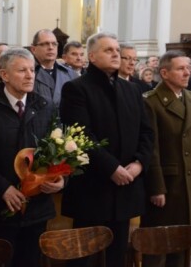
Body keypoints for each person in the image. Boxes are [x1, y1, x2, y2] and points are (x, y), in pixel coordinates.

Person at [59, 32, 153, 267]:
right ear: (91, 56)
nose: (116, 54)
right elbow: (80, 135)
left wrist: (139, 163)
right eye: (108, 50)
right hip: (93, 187)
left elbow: (147, 132)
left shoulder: (131, 90)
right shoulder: (76, 88)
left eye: (116, 50)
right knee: (85, 257)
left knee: (117, 256)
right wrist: (112, 168)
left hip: (126, 186)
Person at [0, 48, 62, 266]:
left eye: (32, 70)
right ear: (4, 75)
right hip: (0, 207)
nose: (30, 75)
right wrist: (3, 188)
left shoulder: (46, 106)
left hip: (37, 207)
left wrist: (60, 178)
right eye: (22, 70)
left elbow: (59, 150)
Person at [141, 50, 191, 266]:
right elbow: (152, 149)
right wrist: (156, 187)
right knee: (160, 245)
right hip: (169, 185)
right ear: (164, 73)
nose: (187, 73)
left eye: (188, 68)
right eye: (181, 68)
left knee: (184, 243)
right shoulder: (151, 102)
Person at [31, 29, 76, 107]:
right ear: (34, 49)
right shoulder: (28, 72)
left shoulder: (70, 73)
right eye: (45, 44)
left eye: (54, 44)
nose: (51, 47)